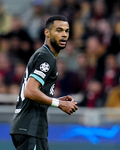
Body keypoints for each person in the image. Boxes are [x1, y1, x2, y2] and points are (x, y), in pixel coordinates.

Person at [10, 15, 78, 150]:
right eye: (59, 30)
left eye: (67, 31)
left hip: (29, 128)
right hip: (30, 128)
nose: (64, 35)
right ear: (47, 32)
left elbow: (34, 92)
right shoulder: (46, 56)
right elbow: (29, 91)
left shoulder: (45, 55)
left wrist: (54, 99)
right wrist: (59, 103)